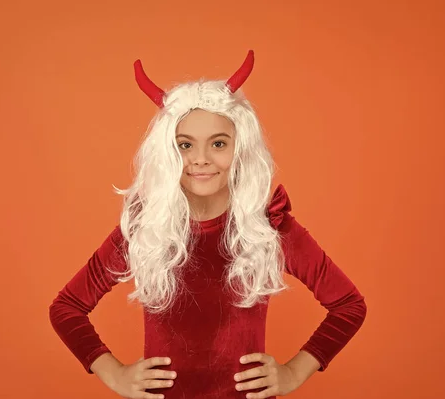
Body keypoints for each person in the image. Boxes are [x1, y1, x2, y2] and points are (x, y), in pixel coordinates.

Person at [49, 50, 367, 399]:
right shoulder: (147, 228)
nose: (200, 158)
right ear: (167, 152)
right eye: (185, 145)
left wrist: (293, 372)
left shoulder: (268, 226)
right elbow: (67, 308)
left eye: (218, 143)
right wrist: (114, 374)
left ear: (240, 149)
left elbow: (349, 305)